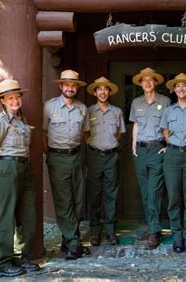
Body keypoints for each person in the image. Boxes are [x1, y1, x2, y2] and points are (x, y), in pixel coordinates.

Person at [0, 79, 40, 277]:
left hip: (23, 168)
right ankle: (1, 263)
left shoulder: (21, 119)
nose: (15, 100)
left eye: (17, 96)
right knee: (4, 217)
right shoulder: (0, 121)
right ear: (3, 101)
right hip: (7, 167)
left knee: (28, 215)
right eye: (10, 98)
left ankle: (20, 256)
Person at [43, 69, 91, 260]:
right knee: (64, 201)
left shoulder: (82, 108)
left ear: (76, 88)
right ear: (61, 86)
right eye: (67, 85)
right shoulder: (49, 107)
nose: (70, 88)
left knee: (78, 200)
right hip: (57, 157)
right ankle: (74, 243)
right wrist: (52, 154)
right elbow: (42, 134)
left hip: (77, 156)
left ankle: (68, 239)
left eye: (73, 85)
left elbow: (85, 133)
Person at [129, 67, 171, 250]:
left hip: (157, 149)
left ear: (155, 82)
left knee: (154, 192)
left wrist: (168, 145)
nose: (147, 83)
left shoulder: (166, 101)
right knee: (145, 192)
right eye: (143, 80)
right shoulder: (136, 102)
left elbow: (170, 126)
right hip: (140, 151)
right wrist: (132, 144)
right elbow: (136, 125)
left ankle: (154, 231)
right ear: (140, 84)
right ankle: (152, 227)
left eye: (150, 80)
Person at [160, 73, 186, 254]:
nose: (181, 89)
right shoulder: (169, 110)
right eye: (178, 86)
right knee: (174, 198)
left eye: (185, 86)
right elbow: (165, 130)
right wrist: (171, 145)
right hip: (173, 156)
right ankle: (177, 236)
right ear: (174, 89)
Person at [84, 77, 126, 246]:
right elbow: (85, 134)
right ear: (95, 92)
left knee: (111, 194)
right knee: (94, 194)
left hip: (111, 156)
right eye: (99, 89)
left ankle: (110, 231)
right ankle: (95, 231)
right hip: (94, 156)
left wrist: (109, 145)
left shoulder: (117, 111)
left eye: (106, 89)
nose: (102, 92)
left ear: (110, 92)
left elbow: (119, 134)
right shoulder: (88, 111)